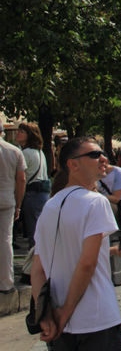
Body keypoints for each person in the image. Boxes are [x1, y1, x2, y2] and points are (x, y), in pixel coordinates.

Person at [31, 137, 121, 349]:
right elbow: (87, 263)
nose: (103, 158)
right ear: (73, 164)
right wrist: (65, 312)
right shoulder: (96, 202)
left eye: (103, 153)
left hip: (60, 325)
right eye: (93, 154)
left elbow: (38, 269)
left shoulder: (50, 206)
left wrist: (45, 316)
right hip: (95, 318)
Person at [0, 123, 25, 294]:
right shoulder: (14, 151)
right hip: (7, 199)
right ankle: (6, 282)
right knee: (5, 240)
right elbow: (21, 180)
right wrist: (19, 204)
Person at [17, 122, 49, 248]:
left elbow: (21, 177)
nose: (18, 133)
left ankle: (36, 261)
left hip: (32, 193)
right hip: (41, 193)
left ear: (29, 136)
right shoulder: (39, 152)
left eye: (22, 132)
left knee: (34, 230)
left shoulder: (26, 153)